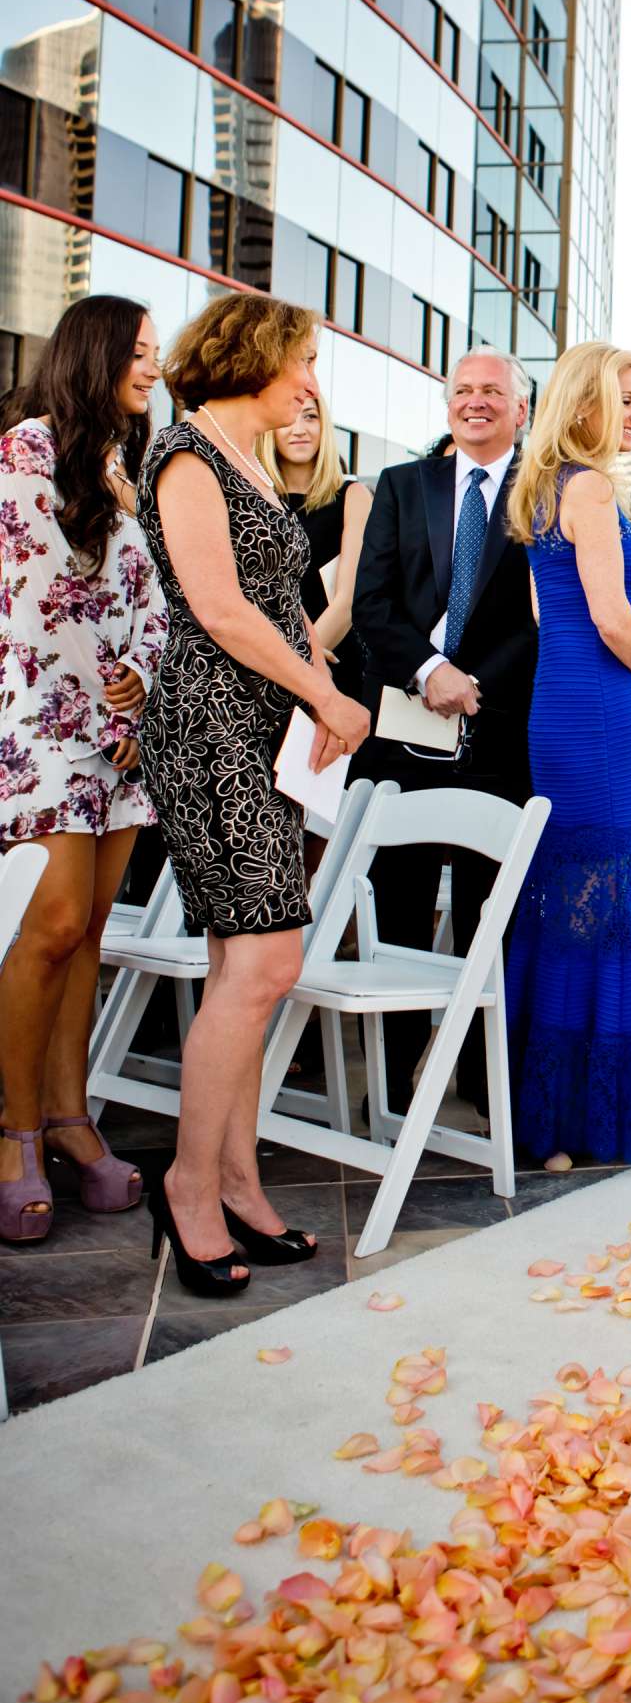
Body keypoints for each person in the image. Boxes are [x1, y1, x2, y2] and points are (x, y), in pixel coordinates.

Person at [137, 294, 369, 1297]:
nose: (312, 383)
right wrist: (323, 689)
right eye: (303, 361)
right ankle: (190, 1184)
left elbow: (278, 608)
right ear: (259, 359)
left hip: (264, 735)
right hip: (212, 730)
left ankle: (234, 1174)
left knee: (249, 964)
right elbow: (219, 607)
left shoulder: (250, 464)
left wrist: (317, 680)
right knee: (267, 962)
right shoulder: (186, 456)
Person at [0, 297, 168, 1242]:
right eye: (137, 352)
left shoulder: (121, 463)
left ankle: (70, 1118)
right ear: (95, 353)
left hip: (117, 734)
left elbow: (149, 596)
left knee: (93, 927)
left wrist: (139, 680)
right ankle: (12, 1126)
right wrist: (103, 684)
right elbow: (36, 590)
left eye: (155, 354)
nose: (151, 368)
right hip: (37, 721)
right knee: (51, 921)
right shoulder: (25, 449)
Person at [503, 342, 631, 1160]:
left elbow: (552, 618)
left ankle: (552, 1120)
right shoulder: (592, 485)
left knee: (571, 896)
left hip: (560, 698)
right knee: (606, 892)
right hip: (606, 705)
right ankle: (591, 1118)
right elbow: (612, 615)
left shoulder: (541, 486)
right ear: (588, 406)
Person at [350, 351, 536, 1118]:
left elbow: (546, 615)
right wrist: (431, 672)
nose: (476, 402)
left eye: (493, 391)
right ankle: (391, 1089)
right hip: (405, 729)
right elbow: (372, 603)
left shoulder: (547, 491)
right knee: (398, 907)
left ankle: (482, 1082)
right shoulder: (402, 486)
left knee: (493, 915)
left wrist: (476, 687)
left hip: (503, 733)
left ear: (521, 409)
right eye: (462, 390)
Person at [257, 377, 372, 703]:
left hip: (332, 664)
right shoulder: (252, 498)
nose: (299, 428)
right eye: (290, 417)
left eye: (310, 416)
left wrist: (298, 666)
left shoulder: (353, 496)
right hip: (261, 664)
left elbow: (348, 600)